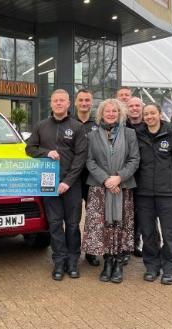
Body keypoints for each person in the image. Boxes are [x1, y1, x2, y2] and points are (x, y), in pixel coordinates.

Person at [26, 89, 87, 280]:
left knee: (72, 224)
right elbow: (29, 148)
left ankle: (72, 262)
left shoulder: (77, 127)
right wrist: (46, 153)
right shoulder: (41, 126)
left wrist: (68, 182)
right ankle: (59, 262)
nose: (59, 103)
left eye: (62, 100)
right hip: (48, 183)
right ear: (51, 104)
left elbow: (81, 158)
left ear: (69, 104)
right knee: (54, 224)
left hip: (72, 185)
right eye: (55, 101)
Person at [81, 98, 140, 284]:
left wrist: (119, 177)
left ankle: (118, 264)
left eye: (114, 111)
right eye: (107, 111)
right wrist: (106, 179)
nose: (111, 114)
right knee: (104, 225)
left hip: (122, 187)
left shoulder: (130, 134)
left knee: (119, 225)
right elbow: (89, 161)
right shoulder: (92, 135)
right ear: (101, 114)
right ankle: (107, 261)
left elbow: (134, 159)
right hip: (100, 188)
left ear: (120, 113)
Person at [135, 103, 172, 285]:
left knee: (169, 233)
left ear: (159, 114)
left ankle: (170, 267)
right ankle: (152, 266)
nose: (149, 117)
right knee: (148, 233)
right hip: (144, 194)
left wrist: (168, 179)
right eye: (146, 114)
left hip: (167, 194)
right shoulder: (138, 136)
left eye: (152, 113)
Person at [73, 89, 100, 267]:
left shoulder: (99, 123)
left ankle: (91, 251)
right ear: (76, 103)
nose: (84, 103)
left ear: (91, 103)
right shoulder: (68, 122)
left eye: (87, 100)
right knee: (74, 217)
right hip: (74, 178)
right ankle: (74, 251)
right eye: (81, 100)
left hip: (93, 178)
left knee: (94, 217)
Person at [125, 96, 146, 261]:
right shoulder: (122, 125)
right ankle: (126, 246)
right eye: (130, 106)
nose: (134, 108)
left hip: (144, 176)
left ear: (142, 107)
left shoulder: (149, 125)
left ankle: (135, 243)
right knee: (126, 213)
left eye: (137, 105)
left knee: (140, 213)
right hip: (125, 175)